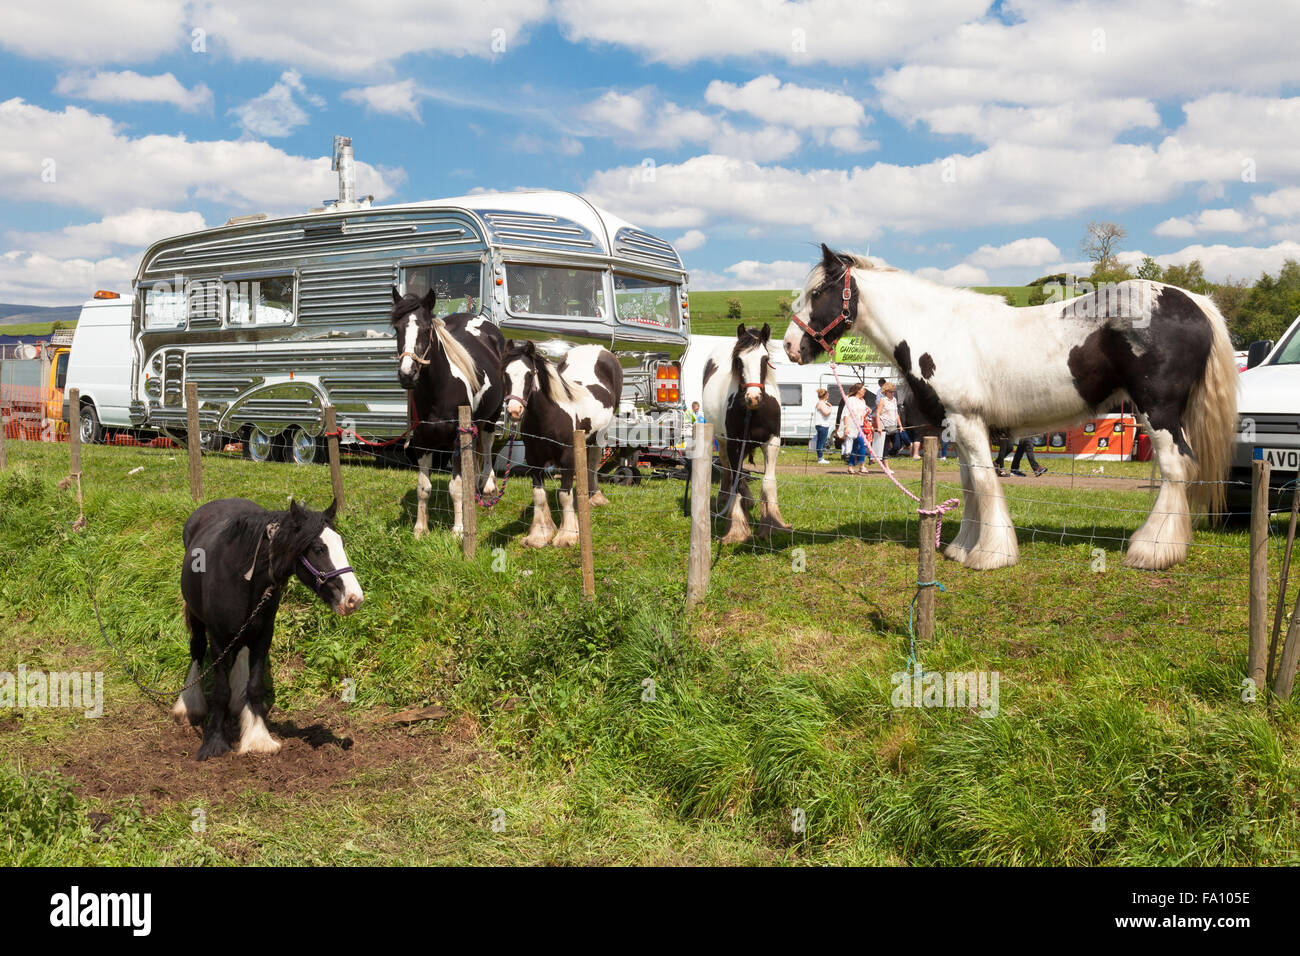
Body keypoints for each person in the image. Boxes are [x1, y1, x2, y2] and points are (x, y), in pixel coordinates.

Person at [842, 383, 871, 474]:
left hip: (861, 425)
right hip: (853, 426)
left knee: (855, 447)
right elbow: (846, 414)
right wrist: (846, 427)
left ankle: (850, 466)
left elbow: (862, 416)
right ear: (858, 390)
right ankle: (862, 466)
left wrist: (867, 414)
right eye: (863, 389)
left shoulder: (863, 401)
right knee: (862, 445)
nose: (865, 391)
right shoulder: (851, 400)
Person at [874, 382, 900, 458]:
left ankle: (886, 455)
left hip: (894, 426)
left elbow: (896, 413)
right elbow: (877, 413)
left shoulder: (894, 400)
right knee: (885, 445)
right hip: (884, 426)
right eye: (890, 391)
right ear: (886, 391)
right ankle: (884, 458)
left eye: (893, 391)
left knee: (897, 445)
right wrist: (879, 426)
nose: (892, 393)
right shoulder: (883, 400)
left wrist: (900, 425)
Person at [813, 387, 834, 464]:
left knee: (821, 442)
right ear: (825, 396)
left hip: (822, 425)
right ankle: (820, 459)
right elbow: (826, 413)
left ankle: (820, 458)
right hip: (822, 425)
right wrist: (831, 407)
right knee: (821, 442)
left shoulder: (821, 403)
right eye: (827, 395)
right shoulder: (821, 403)